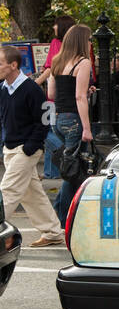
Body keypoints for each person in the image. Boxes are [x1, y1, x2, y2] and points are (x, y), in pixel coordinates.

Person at [0, 45, 64, 246]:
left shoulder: (32, 89)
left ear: (13, 65)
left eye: (0, 63)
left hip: (26, 150)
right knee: (31, 194)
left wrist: (31, 147)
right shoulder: (2, 89)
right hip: (10, 149)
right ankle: (53, 232)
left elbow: (44, 121)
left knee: (7, 191)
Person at [47, 24, 94, 222]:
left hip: (57, 118)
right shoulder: (83, 63)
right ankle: (64, 213)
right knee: (72, 169)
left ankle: (61, 209)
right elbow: (79, 97)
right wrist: (87, 128)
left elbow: (51, 94)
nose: (91, 42)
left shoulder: (57, 62)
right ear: (82, 41)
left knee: (69, 165)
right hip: (73, 119)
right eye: (89, 39)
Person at [34, 15, 75, 177]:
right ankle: (51, 172)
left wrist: (34, 83)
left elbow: (50, 68)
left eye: (55, 25)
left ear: (62, 27)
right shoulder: (76, 45)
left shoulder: (56, 43)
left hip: (53, 96)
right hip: (70, 95)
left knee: (46, 130)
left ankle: (65, 155)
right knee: (58, 130)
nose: (53, 28)